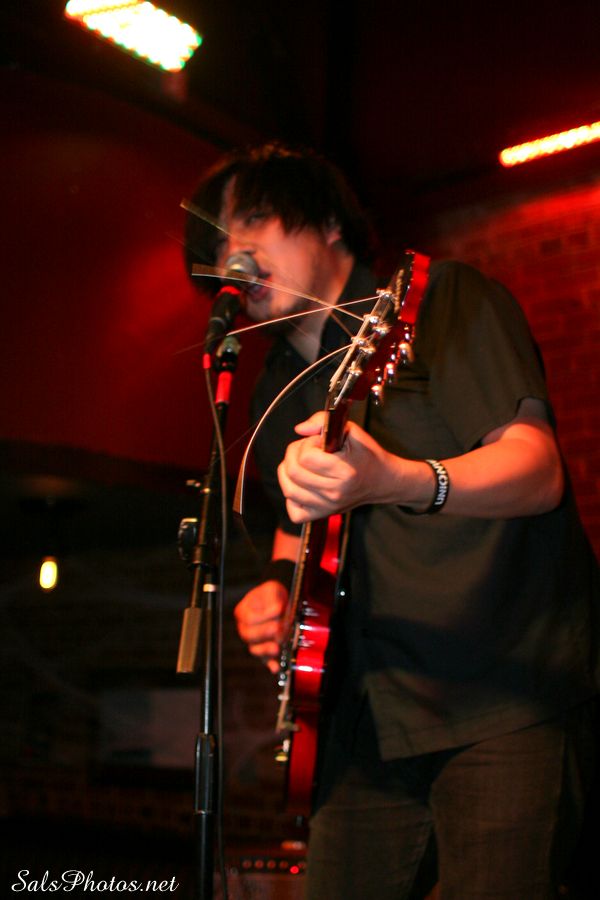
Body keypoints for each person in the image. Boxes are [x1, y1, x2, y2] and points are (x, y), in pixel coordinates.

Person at [185, 142, 600, 899]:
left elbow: (538, 471)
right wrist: (275, 591)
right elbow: (296, 526)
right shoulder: (274, 386)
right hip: (362, 715)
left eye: (255, 219)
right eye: (218, 242)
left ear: (328, 223)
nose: (233, 252)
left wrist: (398, 479)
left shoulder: (441, 302)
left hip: (502, 692)